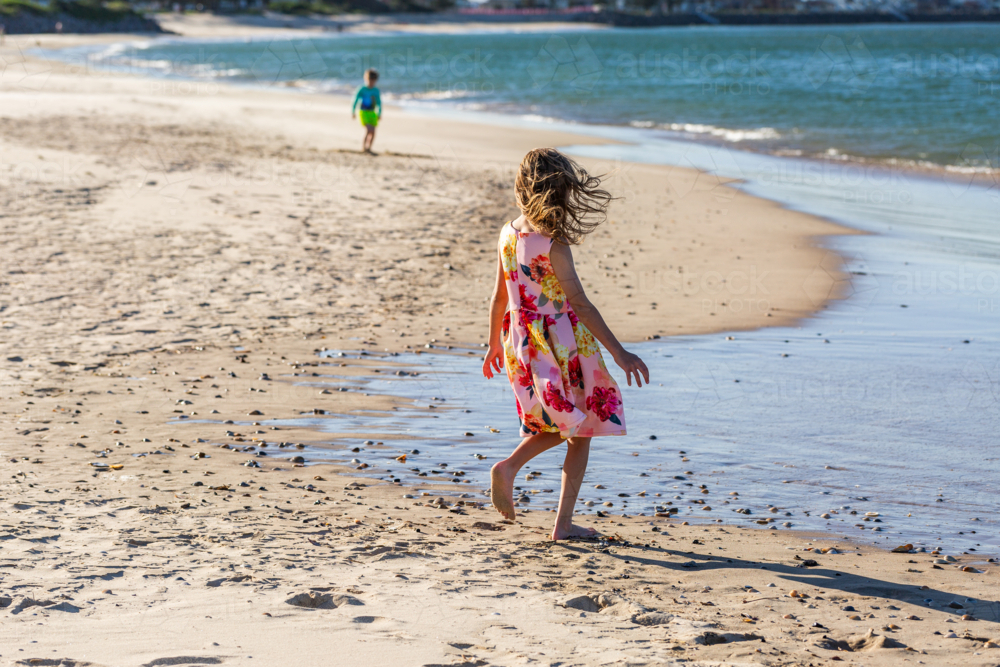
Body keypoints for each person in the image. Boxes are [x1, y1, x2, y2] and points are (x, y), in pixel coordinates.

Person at [482, 148, 650, 541]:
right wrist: (618, 352)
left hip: (521, 342)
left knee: (565, 423)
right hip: (559, 345)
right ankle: (524, 484)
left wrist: (493, 344)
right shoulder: (553, 244)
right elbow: (579, 303)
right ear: (560, 193)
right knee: (579, 427)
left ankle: (551, 511)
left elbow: (499, 297)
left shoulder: (507, 234)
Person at [351, 69, 381, 154]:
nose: (371, 82)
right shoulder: (362, 89)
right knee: (368, 130)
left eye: (373, 81)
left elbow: (379, 103)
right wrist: (353, 111)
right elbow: (355, 100)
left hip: (372, 112)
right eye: (369, 80)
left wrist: (379, 113)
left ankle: (369, 148)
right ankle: (363, 148)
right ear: (365, 79)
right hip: (363, 112)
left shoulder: (376, 90)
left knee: (373, 131)